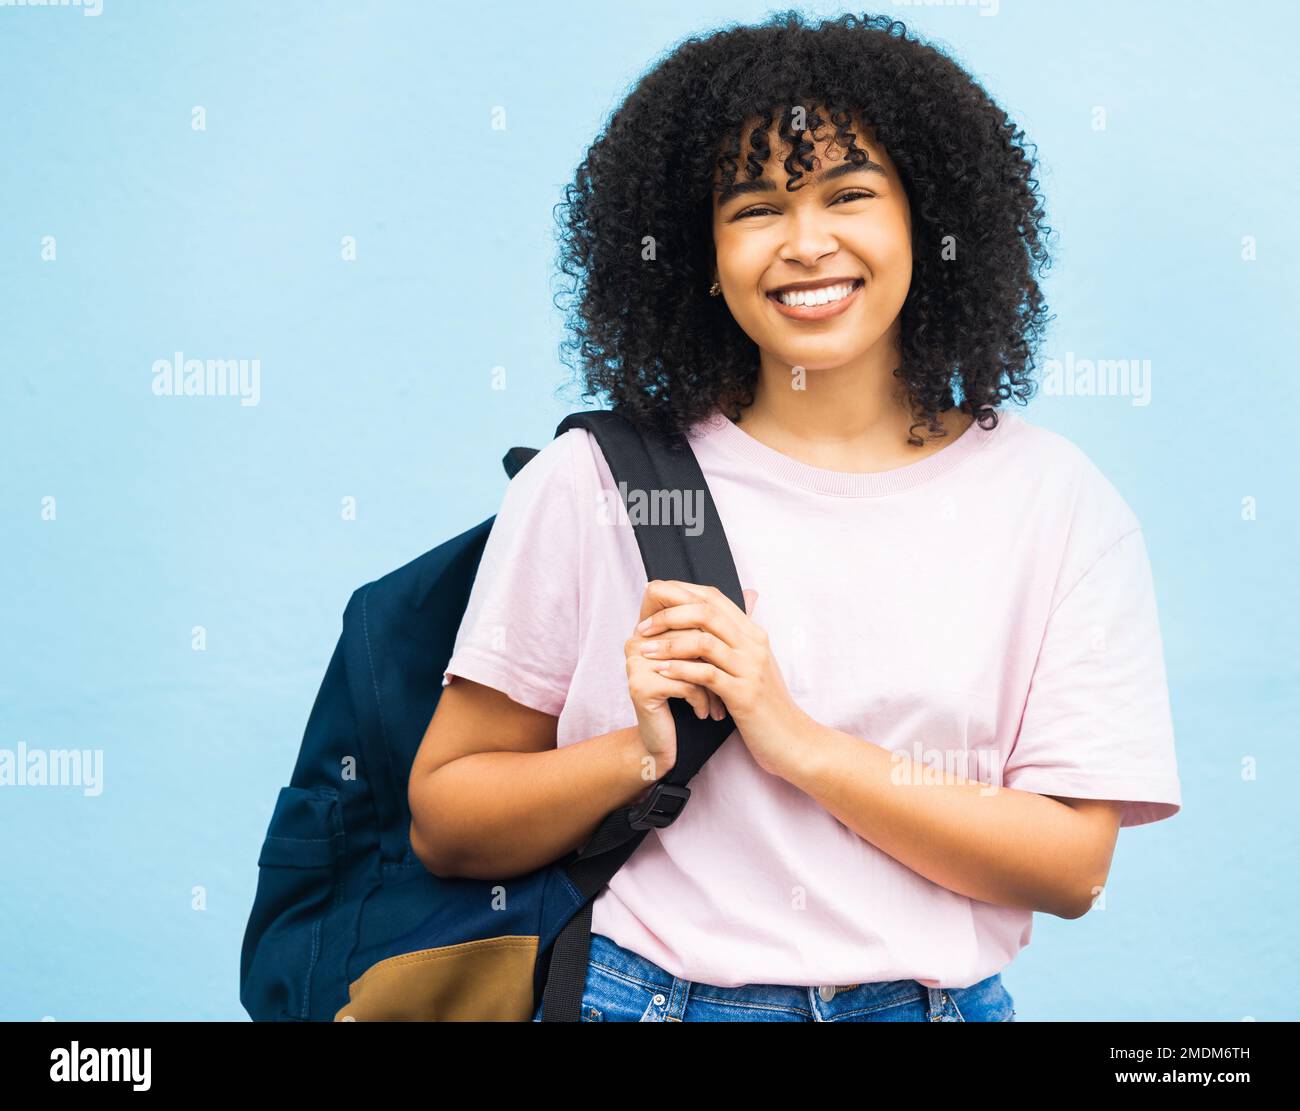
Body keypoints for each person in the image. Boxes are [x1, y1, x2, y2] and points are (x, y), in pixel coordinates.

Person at [408, 11, 1182, 1022]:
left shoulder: (1054, 500)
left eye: (848, 195)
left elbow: (1072, 867)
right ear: (701, 249)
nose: (805, 243)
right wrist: (643, 755)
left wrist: (792, 739)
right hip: (644, 1000)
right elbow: (447, 818)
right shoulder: (598, 480)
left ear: (927, 216)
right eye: (754, 208)